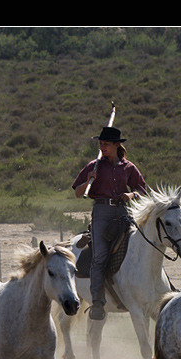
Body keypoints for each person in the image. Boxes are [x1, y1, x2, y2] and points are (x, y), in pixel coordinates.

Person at [72, 126, 148, 320]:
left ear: (116, 145)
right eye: (101, 143)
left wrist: (131, 194)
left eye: (106, 143)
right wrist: (87, 180)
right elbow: (78, 192)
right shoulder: (94, 166)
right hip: (101, 213)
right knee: (99, 257)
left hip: (123, 211)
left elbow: (142, 190)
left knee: (142, 246)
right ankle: (97, 302)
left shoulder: (128, 167)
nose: (102, 146)